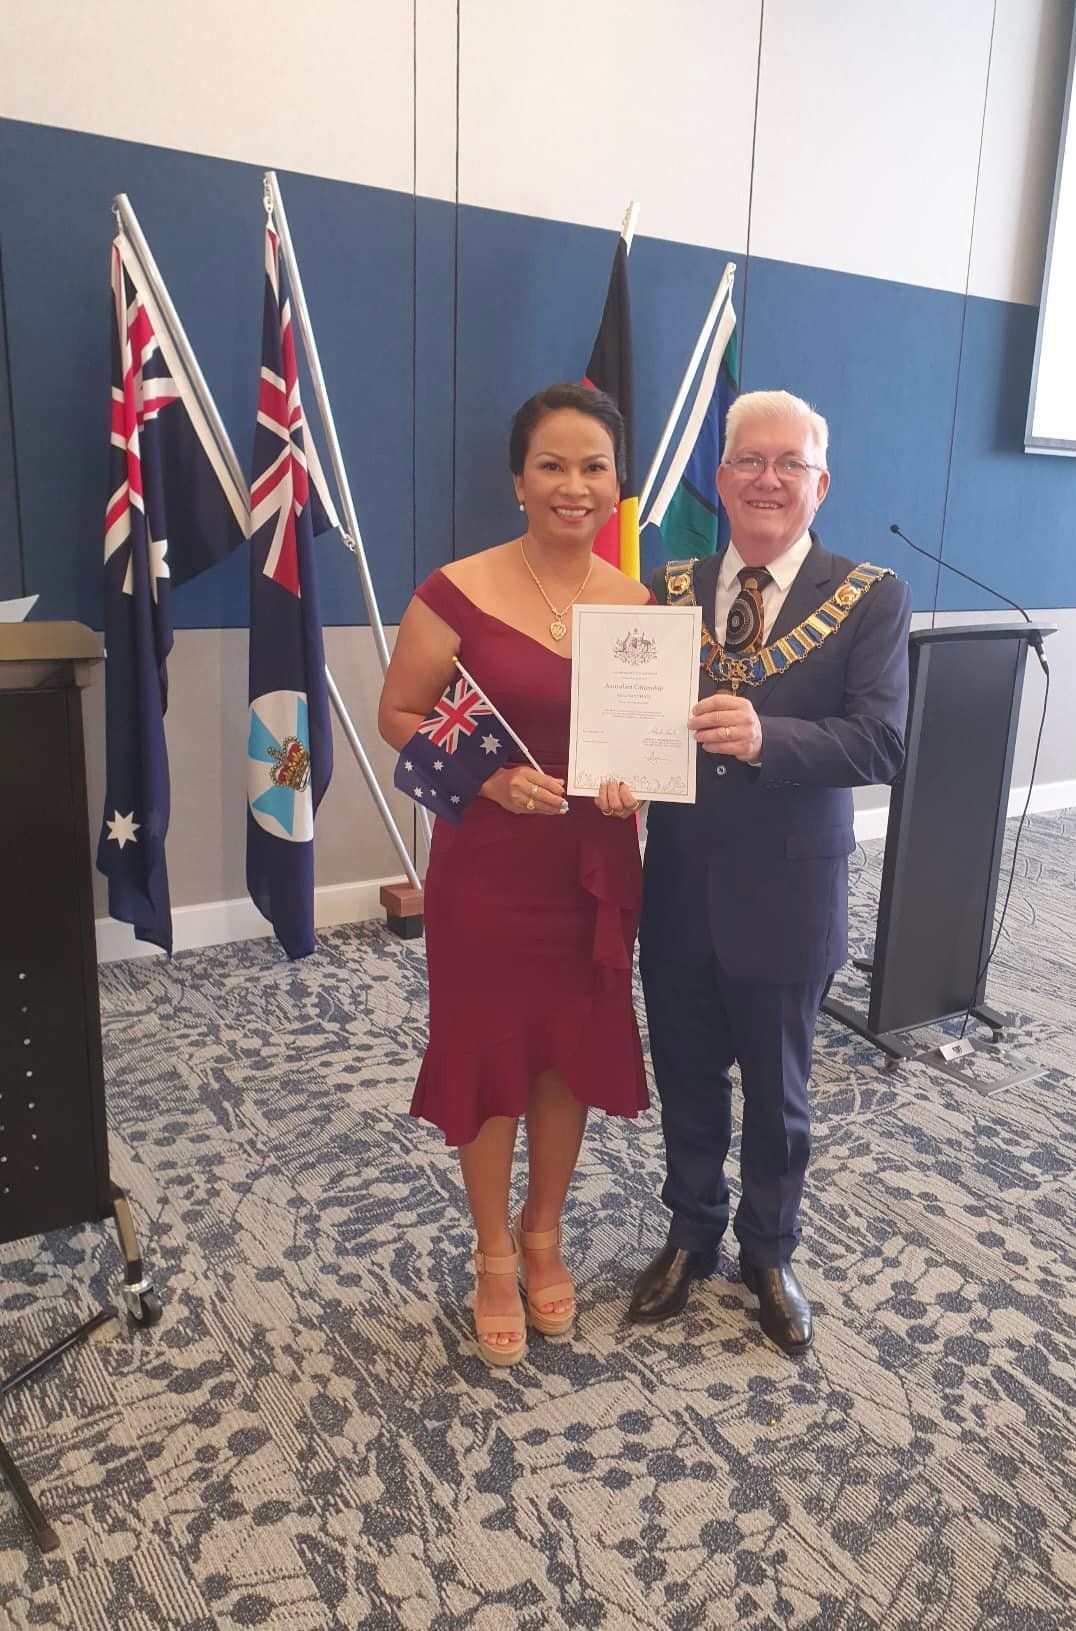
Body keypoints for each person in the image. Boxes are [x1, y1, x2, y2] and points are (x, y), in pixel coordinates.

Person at [629, 389, 912, 1355]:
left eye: (789, 463)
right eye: (750, 460)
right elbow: (631, 719)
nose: (767, 479)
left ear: (819, 484)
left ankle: (769, 1250)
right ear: (721, 478)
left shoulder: (870, 595)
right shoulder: (664, 588)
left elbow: (880, 742)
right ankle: (692, 1229)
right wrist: (612, 766)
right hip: (675, 884)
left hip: (789, 892)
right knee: (688, 1072)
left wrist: (767, 735)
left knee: (781, 1093)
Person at [379, 383, 649, 1366]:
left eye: (594, 467)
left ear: (617, 484)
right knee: (490, 1055)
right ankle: (493, 1251)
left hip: (593, 866)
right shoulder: (456, 591)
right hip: (488, 870)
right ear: (518, 480)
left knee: (566, 1053)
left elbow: (648, 743)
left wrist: (637, 789)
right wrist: (487, 779)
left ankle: (545, 1232)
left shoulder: (643, 604)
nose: (574, 485)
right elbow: (399, 715)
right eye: (553, 465)